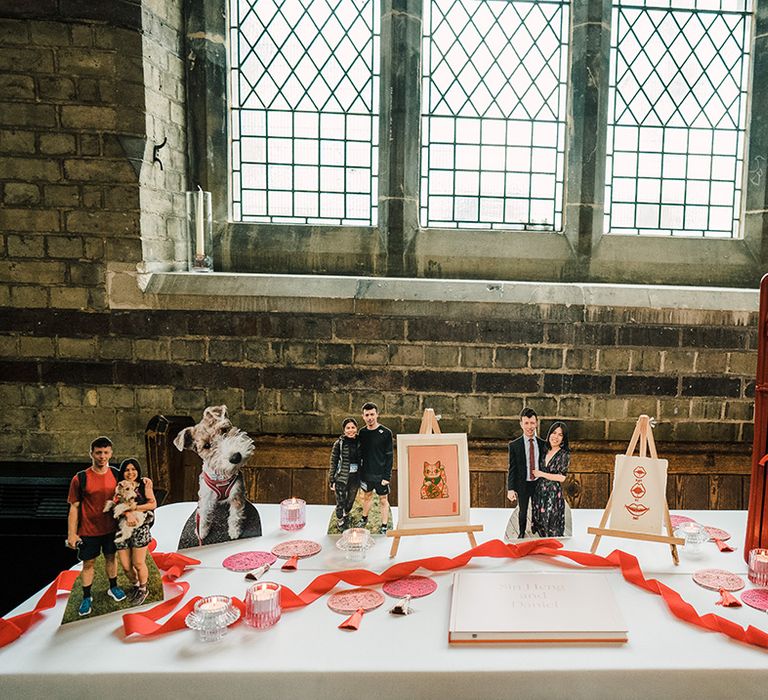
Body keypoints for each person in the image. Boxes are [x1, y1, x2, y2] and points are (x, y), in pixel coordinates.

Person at [67, 436, 127, 616]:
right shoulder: (80, 478)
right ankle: (87, 597)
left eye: (106, 452)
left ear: (111, 453)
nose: (102, 456)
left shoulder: (117, 475)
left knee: (111, 557)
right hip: (89, 530)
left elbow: (126, 498)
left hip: (111, 529)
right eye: (98, 452)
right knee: (89, 563)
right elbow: (74, 507)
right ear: (91, 454)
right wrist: (72, 534)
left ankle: (113, 587)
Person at [114, 458, 156, 605]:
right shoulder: (118, 486)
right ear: (122, 472)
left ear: (138, 471)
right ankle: (136, 585)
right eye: (127, 470)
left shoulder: (144, 485)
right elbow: (115, 504)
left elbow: (152, 504)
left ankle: (144, 589)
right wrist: (126, 513)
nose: (130, 472)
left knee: (138, 562)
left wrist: (133, 509)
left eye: (133, 469)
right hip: (121, 527)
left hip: (140, 528)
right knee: (126, 566)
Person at [506, 408, 547, 538]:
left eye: (532, 423)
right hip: (523, 483)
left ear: (536, 423)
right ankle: (522, 533)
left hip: (538, 483)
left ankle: (539, 531)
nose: (530, 427)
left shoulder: (543, 444)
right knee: (523, 510)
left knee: (538, 509)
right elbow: (512, 468)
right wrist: (511, 488)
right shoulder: (514, 445)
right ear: (521, 424)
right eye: (526, 423)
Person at [357, 402, 393, 534]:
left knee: (383, 500)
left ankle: (384, 525)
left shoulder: (386, 433)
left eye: (372, 414)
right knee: (367, 496)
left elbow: (389, 456)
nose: (370, 417)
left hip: (381, 475)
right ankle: (364, 518)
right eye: (367, 415)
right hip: (367, 474)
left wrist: (386, 476)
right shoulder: (362, 433)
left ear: (377, 414)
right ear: (363, 417)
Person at [531, 421, 570, 537]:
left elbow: (561, 477)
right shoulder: (543, 450)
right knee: (540, 521)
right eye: (554, 433)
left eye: (560, 435)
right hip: (539, 491)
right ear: (549, 434)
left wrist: (541, 474)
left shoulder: (564, 454)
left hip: (553, 493)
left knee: (552, 522)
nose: (556, 437)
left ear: (563, 439)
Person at [328, 418, 362, 531]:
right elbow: (333, 461)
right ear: (344, 430)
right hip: (341, 477)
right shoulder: (339, 444)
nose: (351, 430)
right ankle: (340, 519)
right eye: (348, 428)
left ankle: (346, 514)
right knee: (340, 501)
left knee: (351, 500)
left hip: (355, 477)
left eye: (353, 427)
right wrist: (331, 479)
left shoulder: (360, 442)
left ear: (356, 429)